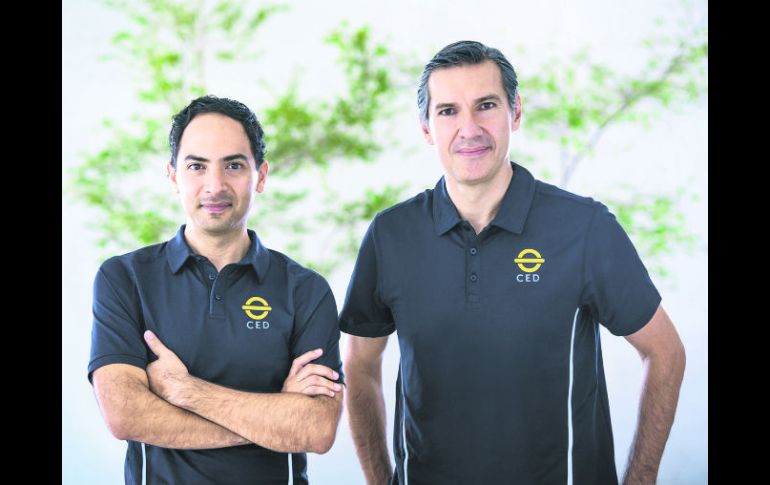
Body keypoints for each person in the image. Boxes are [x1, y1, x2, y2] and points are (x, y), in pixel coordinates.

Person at [340, 41, 686, 485]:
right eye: (448, 111)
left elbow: (665, 352)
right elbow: (359, 363)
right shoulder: (391, 236)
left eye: (486, 105)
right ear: (426, 128)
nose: (469, 129)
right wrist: (379, 480)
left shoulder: (584, 227)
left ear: (515, 112)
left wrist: (640, 479)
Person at [88, 95, 344, 485]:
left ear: (260, 176)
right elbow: (125, 415)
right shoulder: (125, 279)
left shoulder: (305, 291)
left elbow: (316, 429)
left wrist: (184, 390)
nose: (215, 185)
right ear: (173, 176)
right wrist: (274, 418)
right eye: (197, 166)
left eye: (234, 165)